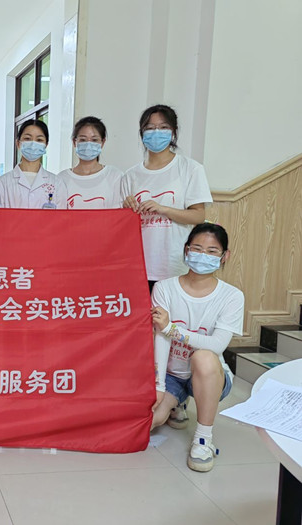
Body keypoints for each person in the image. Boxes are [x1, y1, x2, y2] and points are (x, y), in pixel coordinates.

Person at [151, 223, 244, 473]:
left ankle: (203, 438)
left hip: (208, 375)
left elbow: (217, 345)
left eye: (212, 251)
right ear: (186, 250)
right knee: (152, 420)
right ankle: (176, 402)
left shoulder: (232, 296)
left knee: (203, 357)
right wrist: (159, 386)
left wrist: (171, 328)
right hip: (171, 374)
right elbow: (160, 337)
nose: (203, 256)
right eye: (197, 248)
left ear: (225, 256)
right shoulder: (164, 288)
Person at [121, 104, 212, 289]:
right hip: (138, 264)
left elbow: (198, 216)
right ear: (141, 133)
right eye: (150, 128)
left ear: (173, 132)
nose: (156, 132)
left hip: (174, 264)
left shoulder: (190, 168)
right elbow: (122, 227)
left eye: (163, 127)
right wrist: (125, 210)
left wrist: (163, 209)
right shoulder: (130, 175)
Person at [0, 119, 68, 209]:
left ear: (46, 145)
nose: (33, 144)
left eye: (39, 140)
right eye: (27, 138)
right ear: (18, 143)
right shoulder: (2, 183)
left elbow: (61, 216)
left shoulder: (57, 183)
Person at [58, 116, 123, 209]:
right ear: (74, 142)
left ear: (102, 142)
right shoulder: (62, 179)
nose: (88, 144)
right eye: (83, 140)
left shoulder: (115, 176)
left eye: (94, 140)